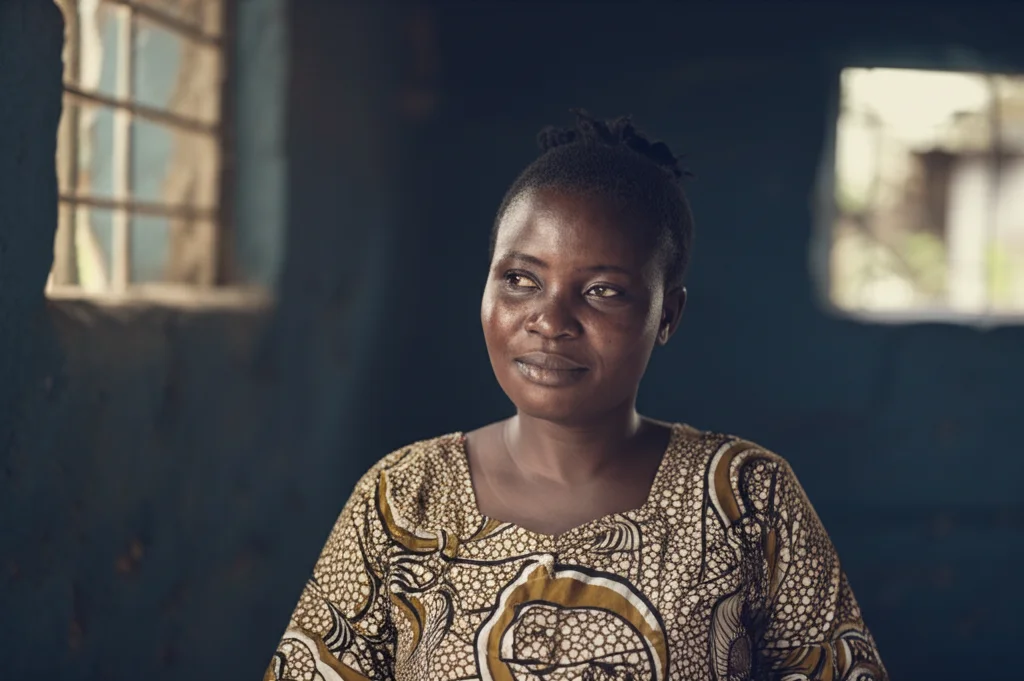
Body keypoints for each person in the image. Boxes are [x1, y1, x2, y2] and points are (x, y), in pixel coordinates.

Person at [264, 111, 887, 681]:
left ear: (667, 316)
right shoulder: (404, 498)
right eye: (520, 279)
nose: (549, 320)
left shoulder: (747, 498)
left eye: (602, 292)